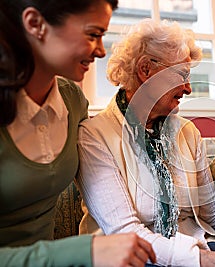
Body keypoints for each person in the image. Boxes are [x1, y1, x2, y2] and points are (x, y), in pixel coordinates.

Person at [76, 18, 215, 267]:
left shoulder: (187, 132)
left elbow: (213, 214)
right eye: (181, 75)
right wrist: (212, 261)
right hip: (130, 256)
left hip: (198, 245)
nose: (188, 88)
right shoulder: (94, 136)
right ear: (146, 70)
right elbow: (125, 232)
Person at [0, 1, 156, 266]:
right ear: (35, 24)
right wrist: (85, 251)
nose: (101, 50)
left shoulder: (73, 101)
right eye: (93, 34)